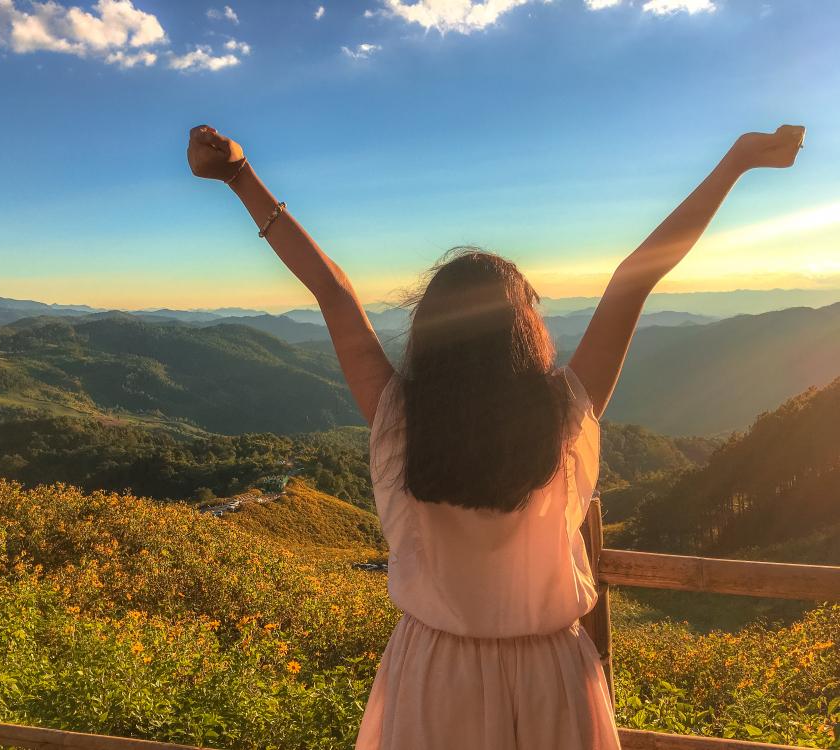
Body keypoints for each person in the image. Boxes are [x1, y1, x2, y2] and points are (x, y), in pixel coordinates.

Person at [187, 123, 805, 750]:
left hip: (432, 675)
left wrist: (240, 175)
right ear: (526, 329)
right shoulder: (563, 409)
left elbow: (333, 291)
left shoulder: (400, 414)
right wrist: (736, 163)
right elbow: (633, 279)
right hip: (550, 678)